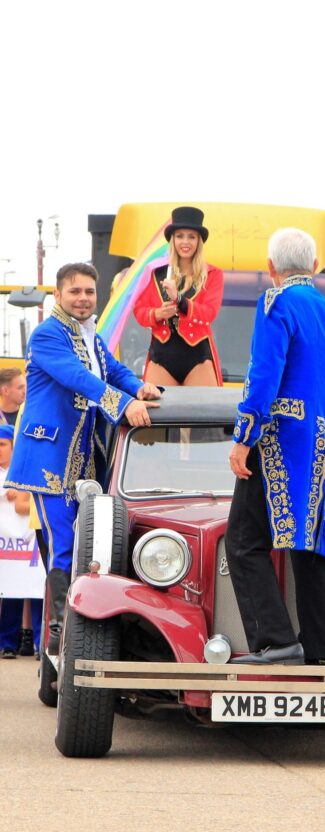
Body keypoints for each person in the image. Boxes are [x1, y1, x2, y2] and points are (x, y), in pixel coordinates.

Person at [6, 262, 161, 657]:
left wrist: (139, 386)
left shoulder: (91, 335)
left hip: (84, 460)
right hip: (49, 457)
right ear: (58, 295)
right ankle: (61, 632)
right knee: (63, 544)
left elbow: (112, 370)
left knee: (87, 545)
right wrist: (123, 404)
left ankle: (80, 625)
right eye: (75, 292)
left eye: (89, 292)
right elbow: (79, 377)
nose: (83, 299)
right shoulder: (47, 335)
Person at [225, 228, 325, 665]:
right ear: (314, 267)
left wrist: (243, 437)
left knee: (242, 540)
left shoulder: (276, 302)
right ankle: (321, 647)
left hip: (281, 436)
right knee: (312, 543)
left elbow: (263, 376)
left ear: (272, 269)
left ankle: (275, 640)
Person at [133, 206, 224, 386]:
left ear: (199, 241)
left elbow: (209, 314)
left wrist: (180, 300)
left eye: (192, 237)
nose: (185, 242)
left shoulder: (212, 274)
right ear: (172, 240)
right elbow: (139, 311)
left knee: (204, 413)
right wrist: (158, 314)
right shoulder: (154, 272)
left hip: (198, 358)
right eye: (180, 236)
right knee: (156, 412)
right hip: (161, 357)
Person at [0, 424, 42, 659]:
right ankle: (7, 643)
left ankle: (40, 643)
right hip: (7, 551)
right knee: (9, 592)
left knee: (37, 592)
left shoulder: (25, 470)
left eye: (3, 445)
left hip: (29, 546)